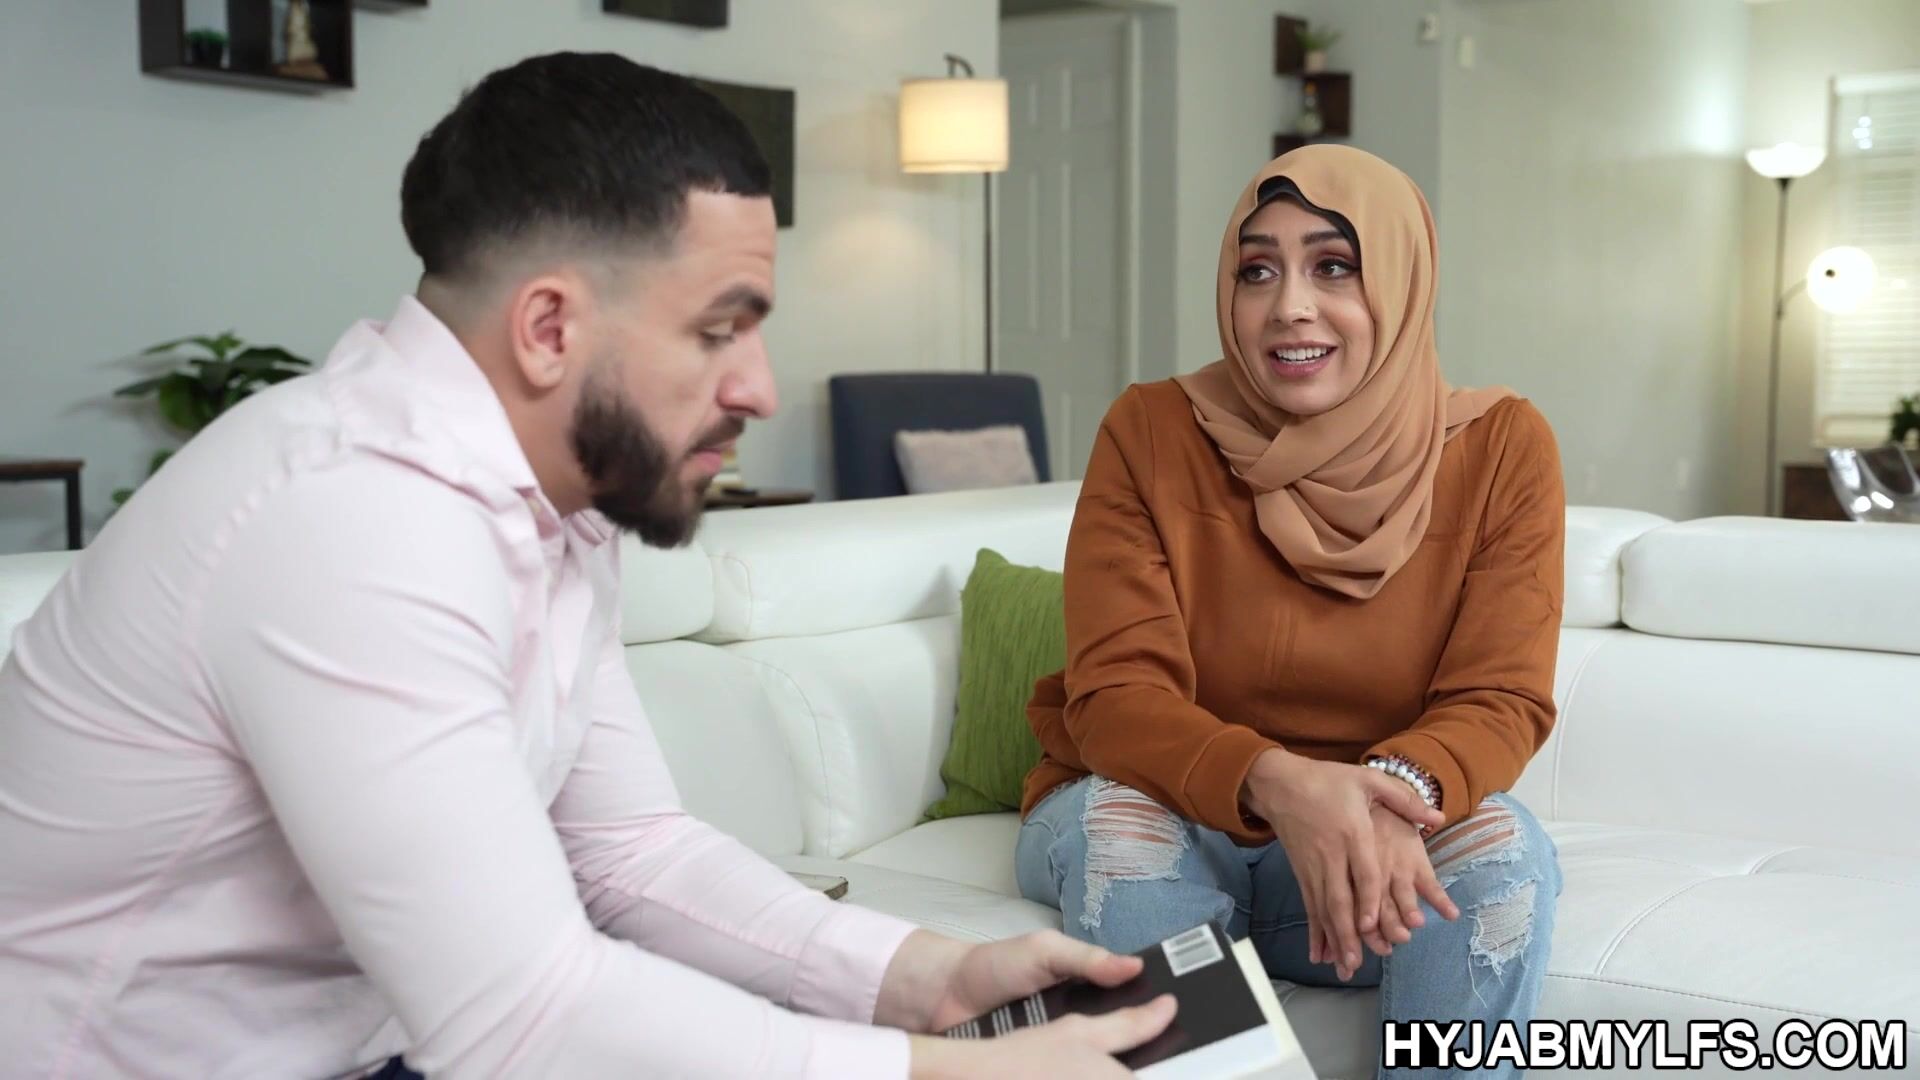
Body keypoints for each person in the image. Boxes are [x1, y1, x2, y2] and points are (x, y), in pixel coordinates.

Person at [0, 54, 1176, 1079]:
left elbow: (630, 851)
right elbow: (521, 1019)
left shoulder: (555, 509)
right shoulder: (350, 518)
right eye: (718, 329)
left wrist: (930, 979)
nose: (761, 388)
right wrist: (936, 1072)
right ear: (549, 328)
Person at [1013, 145, 1566, 1074]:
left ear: (1401, 282)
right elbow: (1115, 699)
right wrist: (1286, 784)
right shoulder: (1151, 430)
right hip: (1171, 813)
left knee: (1503, 853)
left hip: (1381, 834)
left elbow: (1501, 696)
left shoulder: (1503, 447)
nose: (1290, 307)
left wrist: (1388, 797)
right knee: (1122, 832)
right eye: (1257, 270)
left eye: (1334, 266)